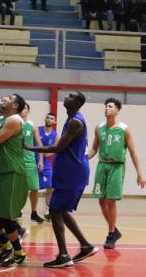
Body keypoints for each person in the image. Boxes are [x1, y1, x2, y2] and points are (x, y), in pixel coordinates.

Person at [23, 91, 98, 268]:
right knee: (62, 211)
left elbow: (57, 147)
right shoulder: (71, 119)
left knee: (56, 209)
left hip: (73, 173)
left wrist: (29, 147)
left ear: (78, 103)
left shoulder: (75, 122)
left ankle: (64, 255)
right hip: (71, 172)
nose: (66, 97)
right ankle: (85, 246)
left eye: (71, 96)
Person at [88, 98, 145, 249]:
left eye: (110, 106)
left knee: (111, 200)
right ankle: (114, 230)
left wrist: (140, 174)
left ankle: (111, 234)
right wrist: (84, 157)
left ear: (117, 110)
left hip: (117, 167)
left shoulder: (124, 129)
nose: (107, 109)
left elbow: (132, 152)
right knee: (101, 200)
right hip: (102, 165)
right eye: (105, 106)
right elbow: (94, 148)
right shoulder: (99, 127)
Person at [0, 94, 28, 267]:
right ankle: (6, 246)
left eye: (8, 98)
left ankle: (19, 252)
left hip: (13, 172)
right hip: (0, 171)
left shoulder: (15, 120)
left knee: (5, 216)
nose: (3, 98)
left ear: (16, 105)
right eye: (2, 97)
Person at [20, 103, 44, 223]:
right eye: (21, 107)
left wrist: (40, 160)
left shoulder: (32, 125)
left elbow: (39, 144)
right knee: (18, 188)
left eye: (25, 108)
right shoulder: (13, 123)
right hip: (16, 160)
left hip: (30, 161)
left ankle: (34, 213)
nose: (22, 110)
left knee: (34, 188)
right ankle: (16, 209)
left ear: (28, 111)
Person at [37, 112, 59, 220]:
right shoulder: (37, 130)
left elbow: (54, 149)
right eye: (48, 117)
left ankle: (48, 210)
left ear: (54, 121)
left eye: (51, 118)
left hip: (46, 163)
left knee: (50, 186)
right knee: (31, 186)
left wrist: (48, 153)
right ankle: (20, 210)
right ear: (45, 119)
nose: (49, 119)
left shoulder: (56, 135)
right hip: (34, 159)